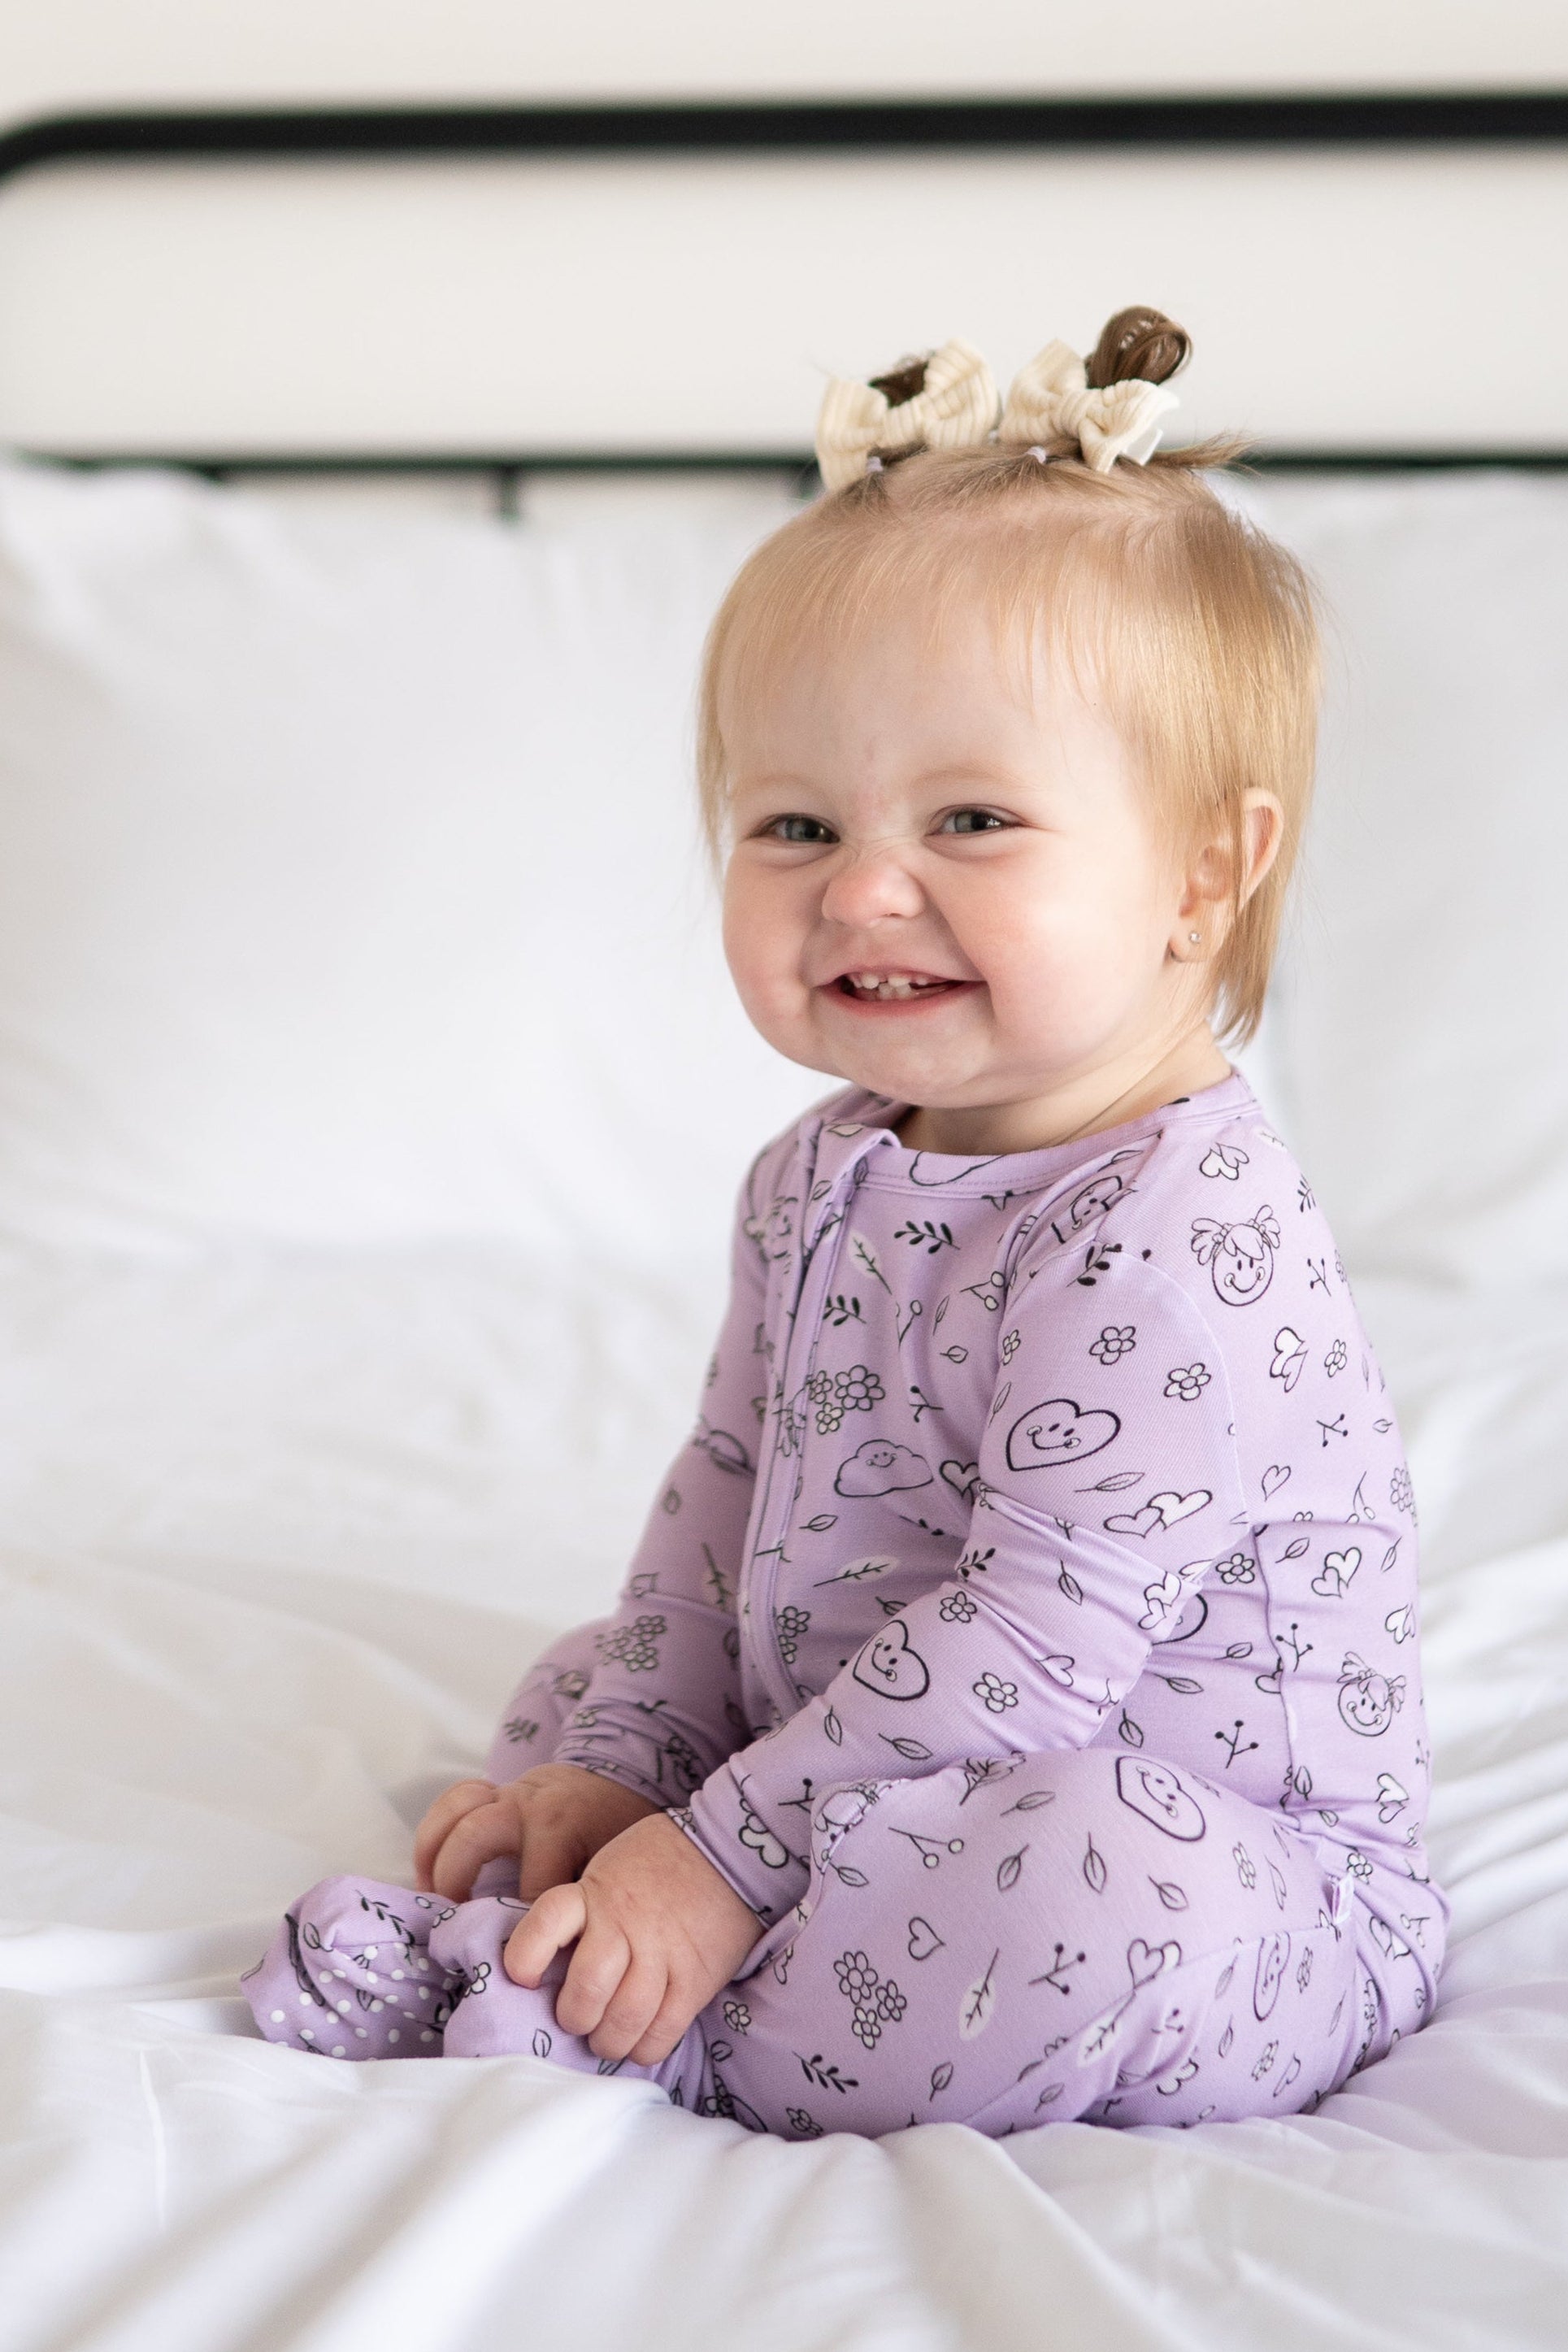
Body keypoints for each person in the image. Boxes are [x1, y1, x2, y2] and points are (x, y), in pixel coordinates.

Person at [244, 307, 1447, 2138]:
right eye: (792, 822)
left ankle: (640, 2018)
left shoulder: (1183, 1236)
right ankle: (598, 1887)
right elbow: (724, 1482)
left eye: (970, 816)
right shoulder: (819, 1170)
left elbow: (1040, 1654)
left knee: (1087, 1880)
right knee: (598, 1665)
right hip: (868, 1749)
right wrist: (632, 1763)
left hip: (1214, 1861)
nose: (863, 886)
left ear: (1200, 873)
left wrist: (715, 1859)